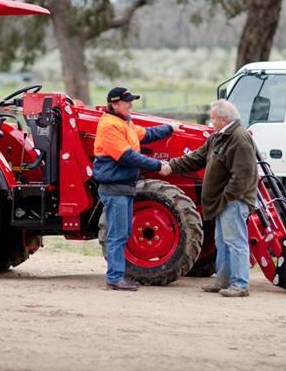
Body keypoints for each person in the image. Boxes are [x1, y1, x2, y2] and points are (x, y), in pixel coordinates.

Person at [161, 99, 257, 297]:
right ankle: (222, 280)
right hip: (222, 201)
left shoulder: (239, 138)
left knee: (236, 242)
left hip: (233, 201)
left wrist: (226, 198)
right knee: (222, 241)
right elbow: (197, 157)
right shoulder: (218, 137)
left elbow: (243, 175)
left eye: (213, 118)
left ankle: (240, 284)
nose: (210, 122)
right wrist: (172, 166)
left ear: (223, 119)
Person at [94, 87, 180, 291]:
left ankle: (117, 276)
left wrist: (169, 128)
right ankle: (114, 278)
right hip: (115, 187)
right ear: (115, 104)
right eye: (127, 102)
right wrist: (159, 166)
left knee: (123, 232)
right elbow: (127, 156)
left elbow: (146, 134)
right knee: (117, 234)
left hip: (124, 186)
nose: (131, 104)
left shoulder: (125, 122)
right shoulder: (109, 126)